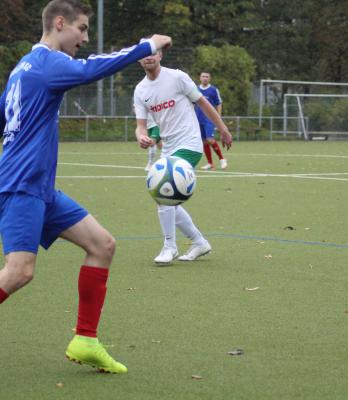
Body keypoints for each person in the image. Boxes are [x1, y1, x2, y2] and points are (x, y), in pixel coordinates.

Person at [0, 0, 171, 374]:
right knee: (18, 272)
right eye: (81, 29)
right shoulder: (46, 63)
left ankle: (86, 339)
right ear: (59, 23)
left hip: (38, 187)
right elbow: (92, 69)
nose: (85, 38)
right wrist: (147, 45)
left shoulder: (22, 69)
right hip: (22, 186)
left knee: (102, 245)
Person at [134, 49, 232, 264]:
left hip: (190, 144)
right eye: (144, 53)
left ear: (160, 56)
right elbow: (140, 126)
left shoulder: (177, 77)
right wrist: (142, 137)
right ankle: (199, 242)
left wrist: (222, 128)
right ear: (138, 58)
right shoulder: (140, 90)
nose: (149, 56)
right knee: (164, 198)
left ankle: (170, 246)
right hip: (168, 148)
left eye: (153, 52)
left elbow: (204, 103)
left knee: (164, 192)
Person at [195, 72, 228, 170]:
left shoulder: (213, 90)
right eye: (203, 76)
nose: (205, 78)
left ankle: (222, 159)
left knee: (210, 140)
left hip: (209, 119)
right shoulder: (195, 89)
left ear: (210, 78)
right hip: (198, 118)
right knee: (204, 141)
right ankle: (210, 163)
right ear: (200, 78)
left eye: (207, 76)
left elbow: (218, 104)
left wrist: (218, 118)